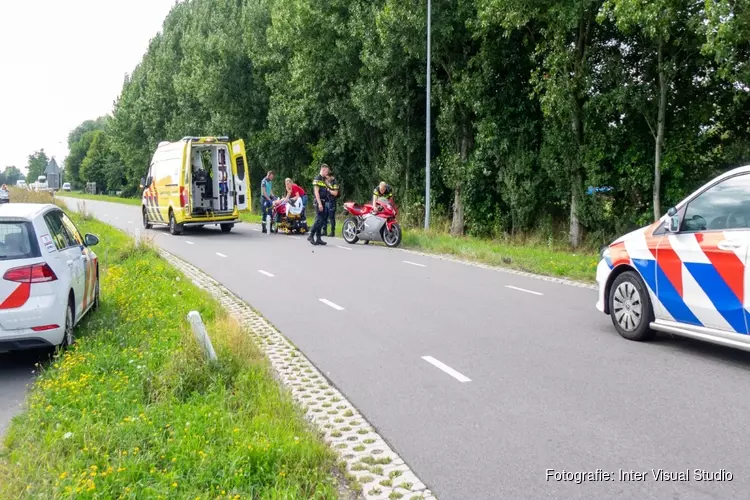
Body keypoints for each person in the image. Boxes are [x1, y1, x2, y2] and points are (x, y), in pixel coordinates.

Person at [308, 164, 331, 246]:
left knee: (321, 221)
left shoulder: (323, 180)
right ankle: (310, 235)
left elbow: (328, 190)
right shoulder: (317, 179)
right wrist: (320, 203)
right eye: (326, 171)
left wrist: (327, 182)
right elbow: (316, 192)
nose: (327, 173)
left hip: (324, 202)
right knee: (318, 220)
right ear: (323, 169)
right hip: (319, 202)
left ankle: (318, 238)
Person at [322, 170, 339, 237]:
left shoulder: (335, 182)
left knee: (331, 217)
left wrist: (328, 189)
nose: (326, 179)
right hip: (326, 200)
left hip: (332, 201)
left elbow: (335, 193)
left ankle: (332, 232)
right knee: (324, 216)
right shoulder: (327, 181)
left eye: (327, 177)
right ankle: (324, 231)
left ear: (331, 176)